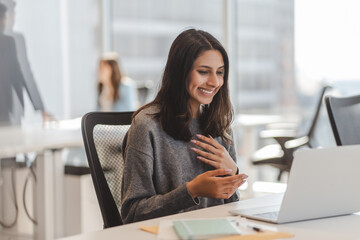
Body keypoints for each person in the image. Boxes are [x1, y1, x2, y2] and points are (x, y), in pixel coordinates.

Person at [121, 29, 248, 224]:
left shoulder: (219, 124)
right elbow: (132, 213)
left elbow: (230, 207)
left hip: (216, 232)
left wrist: (233, 173)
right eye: (204, 71)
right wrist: (192, 190)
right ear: (181, 72)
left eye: (220, 72)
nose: (214, 82)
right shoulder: (146, 126)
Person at [0, 1, 51, 126]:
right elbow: (24, 75)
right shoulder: (13, 40)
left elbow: (22, 74)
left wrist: (40, 107)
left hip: (10, 110)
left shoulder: (13, 40)